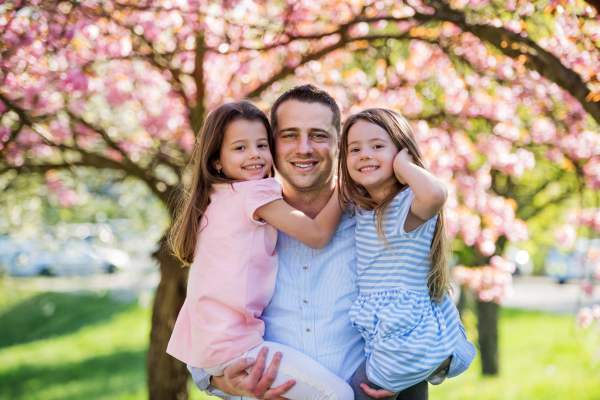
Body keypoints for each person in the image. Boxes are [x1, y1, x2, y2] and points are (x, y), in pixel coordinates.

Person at [186, 85, 476, 400]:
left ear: (340, 144)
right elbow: (205, 319)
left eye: (319, 135)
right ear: (271, 144)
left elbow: (445, 334)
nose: (304, 148)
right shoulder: (241, 226)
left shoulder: (379, 220)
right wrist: (223, 382)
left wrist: (407, 369)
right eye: (289, 135)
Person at [167, 100, 355, 400]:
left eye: (261, 145)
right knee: (338, 396)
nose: (254, 154)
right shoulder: (254, 193)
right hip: (239, 347)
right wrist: (347, 186)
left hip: (210, 349)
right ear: (216, 160)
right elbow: (317, 235)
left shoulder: (213, 199)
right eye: (240, 148)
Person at [338, 109, 469, 399]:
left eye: (378, 146)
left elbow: (436, 194)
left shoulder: (406, 205)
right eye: (354, 149)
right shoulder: (363, 208)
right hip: (389, 335)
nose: (364, 154)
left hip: (403, 337)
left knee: (355, 392)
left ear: (401, 153)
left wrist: (404, 165)